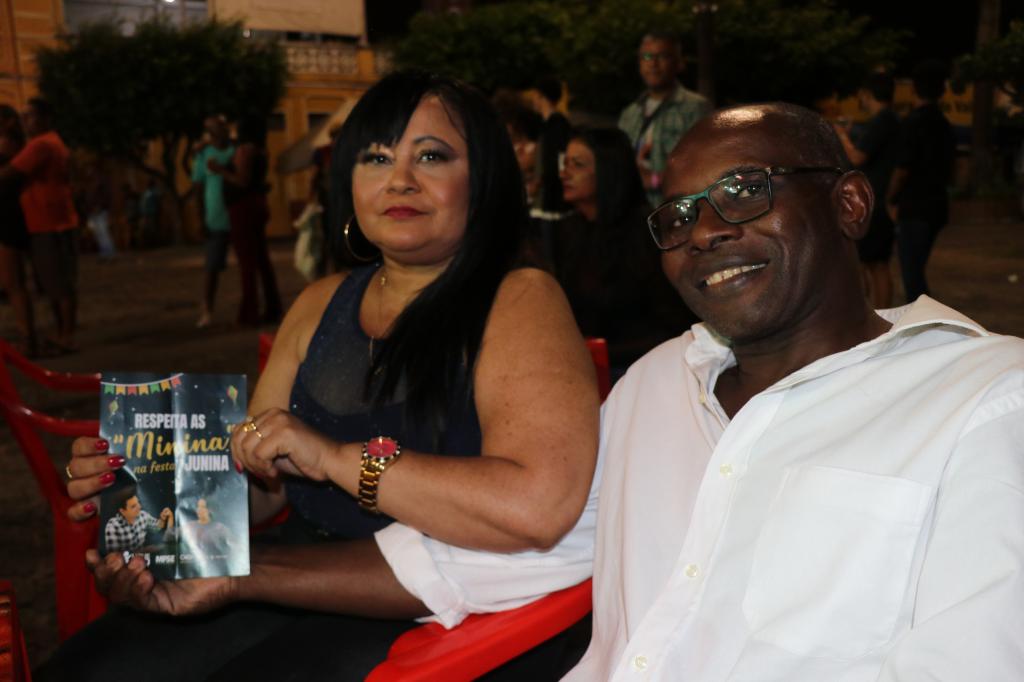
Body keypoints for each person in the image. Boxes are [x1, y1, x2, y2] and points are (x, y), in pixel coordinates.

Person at [49, 71, 600, 681]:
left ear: (484, 180)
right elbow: (262, 484)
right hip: (296, 571)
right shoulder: (320, 302)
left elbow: (537, 508)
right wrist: (140, 489)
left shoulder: (520, 300)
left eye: (431, 156)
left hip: (439, 605)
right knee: (88, 671)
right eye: (376, 157)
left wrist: (334, 458)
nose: (400, 180)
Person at [566, 103, 1024, 680]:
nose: (702, 233)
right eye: (680, 214)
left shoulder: (988, 398)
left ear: (849, 204)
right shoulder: (655, 383)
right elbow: (545, 545)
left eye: (743, 190)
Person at [551, 127, 694, 378]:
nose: (564, 173)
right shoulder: (569, 229)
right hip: (584, 364)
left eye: (577, 164)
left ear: (608, 171)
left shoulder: (646, 233)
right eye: (566, 163)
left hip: (639, 368)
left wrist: (601, 351)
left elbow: (672, 324)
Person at [0, 98, 79, 353]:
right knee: (51, 283)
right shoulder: (42, 143)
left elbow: (9, 174)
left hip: (49, 221)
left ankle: (64, 337)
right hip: (43, 220)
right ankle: (60, 335)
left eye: (30, 116)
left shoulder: (41, 144)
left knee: (57, 284)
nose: (26, 121)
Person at [886, 60, 957, 303]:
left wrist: (890, 198)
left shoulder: (913, 122)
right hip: (937, 204)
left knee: (912, 274)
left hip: (914, 206)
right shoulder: (945, 124)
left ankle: (921, 318)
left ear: (914, 89)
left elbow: (902, 169)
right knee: (916, 268)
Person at [618, 30, 710, 207]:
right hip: (633, 212)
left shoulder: (695, 108)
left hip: (677, 211)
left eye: (662, 56)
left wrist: (653, 180)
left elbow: (705, 167)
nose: (653, 63)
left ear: (679, 63)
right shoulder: (630, 113)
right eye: (646, 56)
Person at [207, 114, 282, 326]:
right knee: (262, 259)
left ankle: (249, 313)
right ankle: (272, 307)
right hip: (257, 204)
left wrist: (220, 170)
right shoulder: (261, 150)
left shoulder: (244, 150)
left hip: (243, 208)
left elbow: (241, 180)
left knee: (247, 262)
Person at [833, 71, 901, 308]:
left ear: (867, 93)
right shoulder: (890, 120)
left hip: (875, 202)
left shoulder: (883, 120)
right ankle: (876, 311)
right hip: (878, 199)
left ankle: (879, 313)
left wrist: (841, 135)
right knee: (872, 263)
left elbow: (857, 157)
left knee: (875, 264)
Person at [190, 115, 236, 328]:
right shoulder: (203, 155)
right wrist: (200, 219)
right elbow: (197, 188)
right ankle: (207, 309)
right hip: (215, 218)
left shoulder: (234, 151)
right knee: (212, 267)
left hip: (236, 214)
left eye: (218, 128)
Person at [0, 104, 35, 356]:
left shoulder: (10, 145)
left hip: (8, 218)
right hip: (7, 215)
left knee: (14, 282)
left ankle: (27, 338)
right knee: (11, 282)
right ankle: (26, 336)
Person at [529, 75, 571, 217]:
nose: (533, 100)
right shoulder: (546, 125)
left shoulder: (557, 125)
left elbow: (557, 159)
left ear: (542, 96)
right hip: (544, 195)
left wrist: (539, 181)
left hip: (552, 197)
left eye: (535, 96)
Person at [102, 487, 174, 554]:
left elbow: (157, 527)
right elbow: (114, 556)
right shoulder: (113, 526)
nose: (139, 507)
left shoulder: (142, 515)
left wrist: (162, 518)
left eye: (138, 503)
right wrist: (144, 550)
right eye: (133, 506)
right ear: (122, 511)